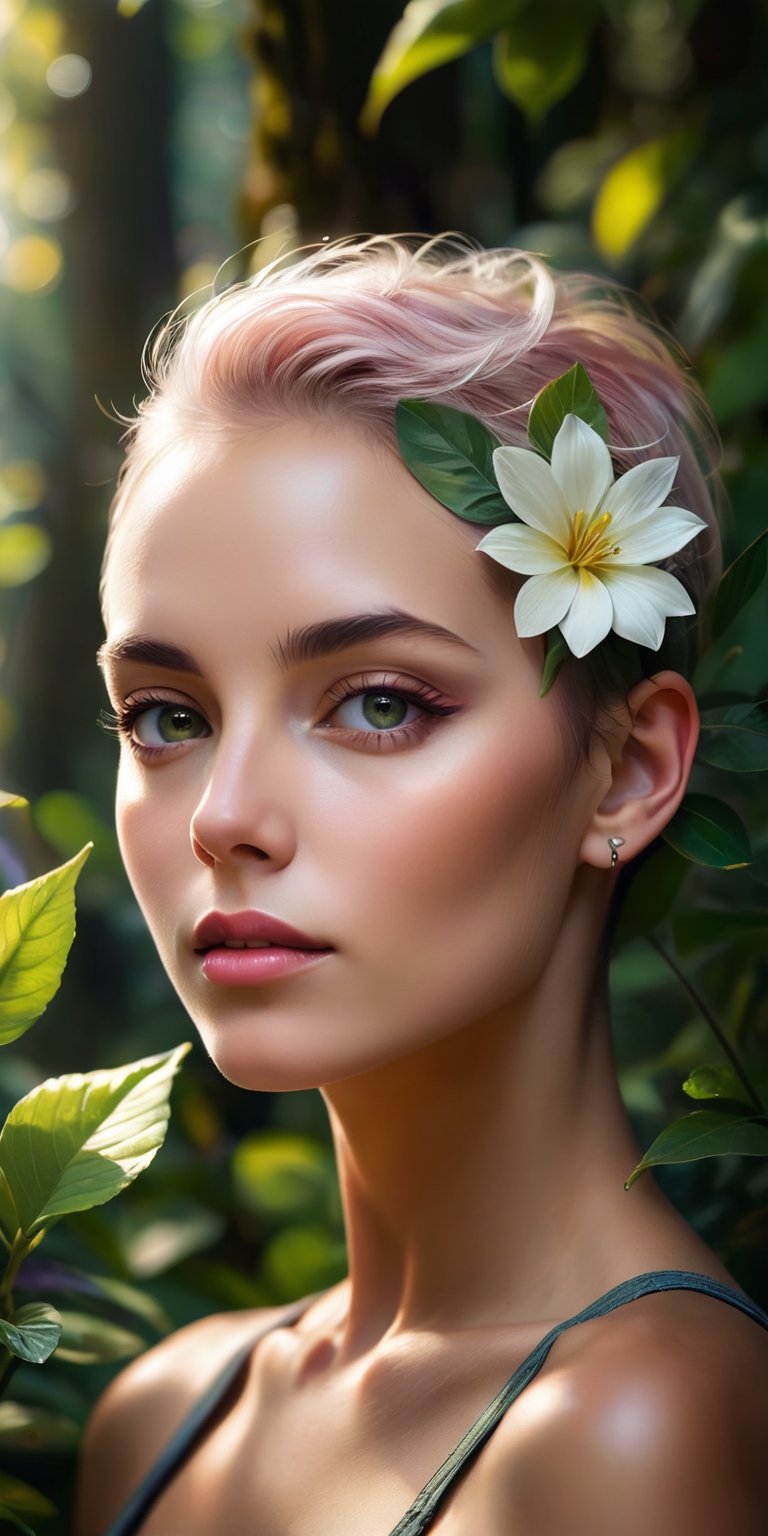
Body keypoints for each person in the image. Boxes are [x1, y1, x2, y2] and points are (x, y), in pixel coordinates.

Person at [78, 236, 768, 1536]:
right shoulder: (157, 1421)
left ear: (627, 772)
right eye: (166, 717)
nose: (227, 816)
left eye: (379, 704)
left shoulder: (639, 1436)